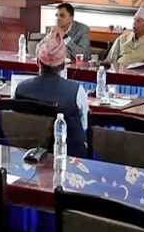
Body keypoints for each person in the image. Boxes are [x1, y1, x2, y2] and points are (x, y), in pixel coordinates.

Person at [14, 29, 88, 157]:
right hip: (67, 157)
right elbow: (84, 125)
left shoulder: (20, 89)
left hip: (27, 155)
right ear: (63, 65)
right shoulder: (76, 91)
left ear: (38, 62)